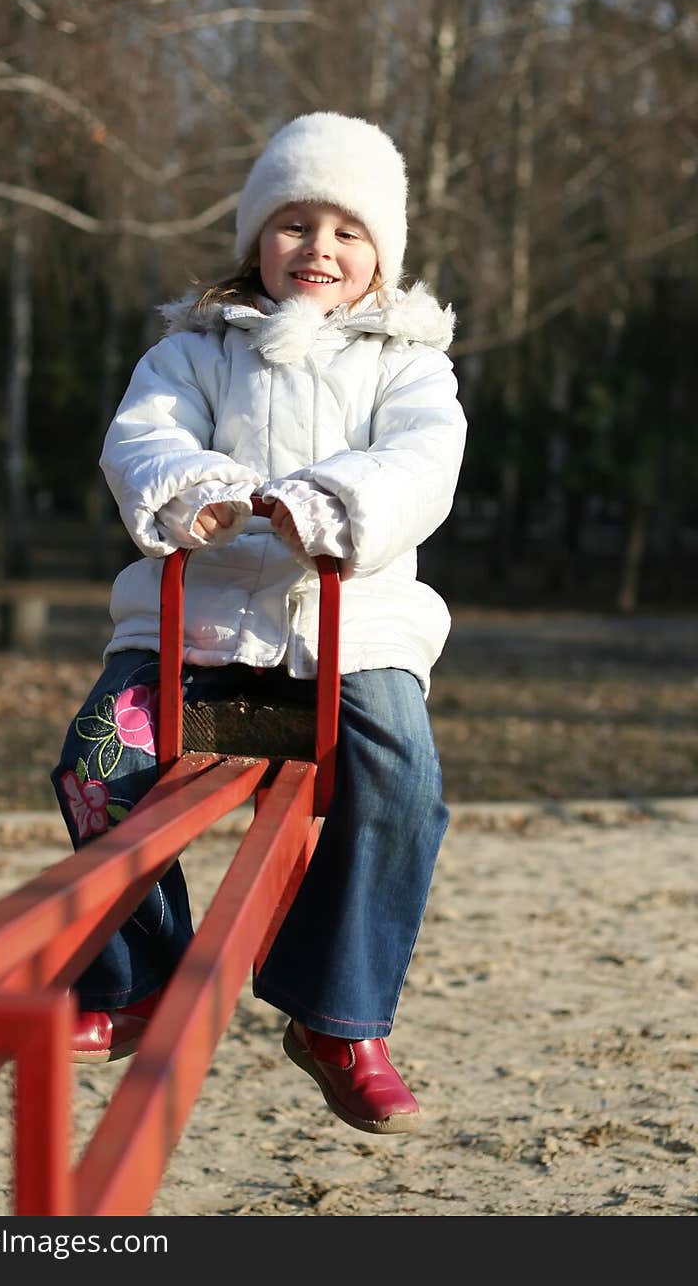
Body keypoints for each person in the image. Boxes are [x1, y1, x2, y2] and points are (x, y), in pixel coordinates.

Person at [51, 111, 467, 1135]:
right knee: (96, 766)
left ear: (382, 252)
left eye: (346, 230)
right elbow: (141, 438)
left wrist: (325, 503)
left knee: (403, 781)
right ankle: (139, 976)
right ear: (253, 238)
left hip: (346, 631)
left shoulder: (405, 361)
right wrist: (197, 487)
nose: (318, 250)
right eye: (292, 224)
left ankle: (338, 1015)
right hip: (195, 632)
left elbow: (422, 462)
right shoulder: (195, 349)